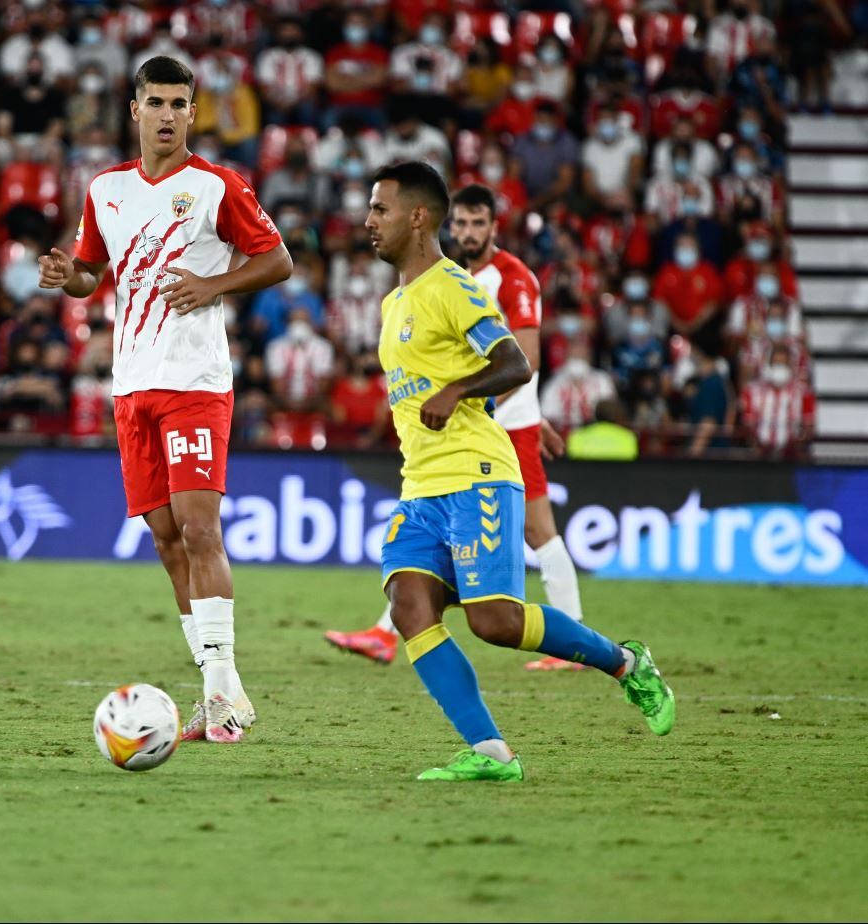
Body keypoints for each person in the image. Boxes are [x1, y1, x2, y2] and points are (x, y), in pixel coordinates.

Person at [346, 161, 673, 781]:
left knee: (494, 620)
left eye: (380, 209)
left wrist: (458, 393)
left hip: (477, 476)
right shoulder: (394, 303)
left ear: (418, 217)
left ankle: (627, 664)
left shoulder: (453, 285)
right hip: (422, 485)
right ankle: (492, 752)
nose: (369, 221)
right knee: (410, 605)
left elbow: (513, 362)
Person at [37, 56, 292, 744]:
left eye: (181, 103)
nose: (169, 115)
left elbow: (278, 259)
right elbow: (92, 274)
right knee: (164, 536)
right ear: (134, 109)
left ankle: (215, 694)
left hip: (194, 383)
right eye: (157, 102)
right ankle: (227, 692)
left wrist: (213, 286)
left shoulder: (215, 187)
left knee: (199, 527)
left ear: (191, 112)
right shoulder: (106, 189)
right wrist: (69, 278)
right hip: (131, 385)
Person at [326, 184, 590, 672]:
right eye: (462, 223)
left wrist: (480, 404)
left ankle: (575, 635)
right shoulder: (444, 278)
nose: (468, 232)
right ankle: (388, 631)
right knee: (433, 543)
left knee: (538, 533)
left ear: (493, 226)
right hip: (476, 424)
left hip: (498, 428)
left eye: (477, 223)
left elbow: (523, 358)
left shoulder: (511, 278)